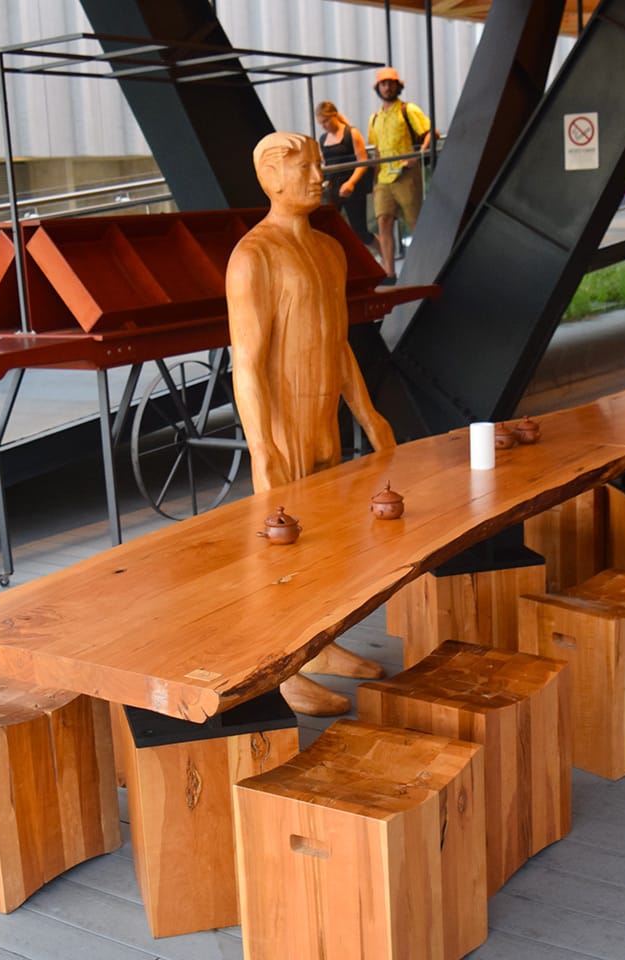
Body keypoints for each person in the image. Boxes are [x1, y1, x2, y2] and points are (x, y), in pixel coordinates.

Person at [226, 131, 398, 715]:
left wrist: (368, 413)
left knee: (332, 548)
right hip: (284, 427)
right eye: (303, 167)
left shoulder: (329, 250)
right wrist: (261, 448)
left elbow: (339, 341)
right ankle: (284, 669)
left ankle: (320, 645)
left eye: (319, 165)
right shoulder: (253, 256)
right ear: (271, 178)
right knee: (284, 555)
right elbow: (244, 363)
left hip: (325, 417)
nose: (318, 176)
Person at [367, 66, 432, 283]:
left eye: (391, 83)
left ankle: (427, 264)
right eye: (383, 84)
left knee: (414, 221)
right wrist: (374, 181)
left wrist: (418, 156)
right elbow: (376, 150)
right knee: (383, 221)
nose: (387, 87)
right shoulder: (375, 118)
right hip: (384, 176)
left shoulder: (408, 109)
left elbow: (430, 133)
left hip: (406, 173)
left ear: (398, 86)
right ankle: (389, 272)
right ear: (378, 88)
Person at [316, 101, 375, 252]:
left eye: (326, 121)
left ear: (334, 116)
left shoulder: (351, 133)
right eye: (321, 123)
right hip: (332, 187)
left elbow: (363, 161)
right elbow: (324, 162)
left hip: (352, 186)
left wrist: (351, 182)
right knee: (329, 227)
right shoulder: (323, 139)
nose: (324, 126)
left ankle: (385, 259)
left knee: (360, 230)